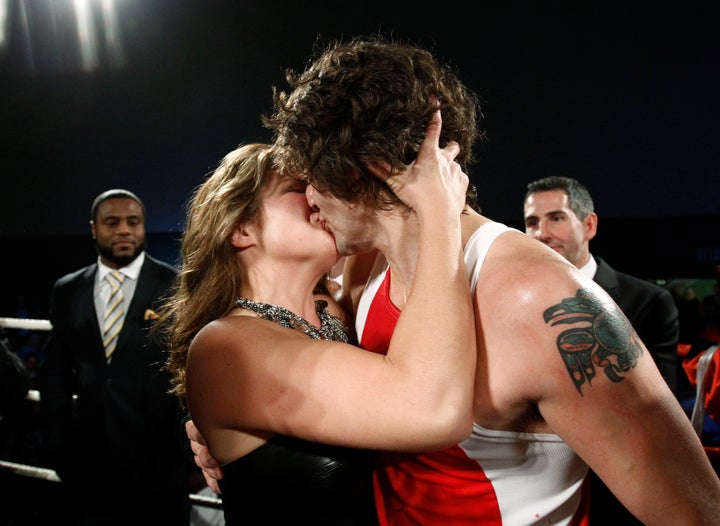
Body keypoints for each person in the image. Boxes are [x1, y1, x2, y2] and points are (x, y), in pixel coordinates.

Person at [187, 35, 720, 525]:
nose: (312, 201)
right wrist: (253, 450)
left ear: (356, 172)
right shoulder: (362, 271)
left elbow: (694, 510)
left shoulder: (536, 296)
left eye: (311, 179)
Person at [160, 117, 476, 526]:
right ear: (240, 228)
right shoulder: (225, 345)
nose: (317, 195)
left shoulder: (338, 310)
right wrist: (439, 212)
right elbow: (435, 412)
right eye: (296, 189)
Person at [522, 175, 682, 524]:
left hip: (618, 496)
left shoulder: (648, 302)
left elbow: (657, 409)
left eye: (556, 218)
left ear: (589, 225)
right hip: (531, 490)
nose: (541, 233)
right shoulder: (509, 304)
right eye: (532, 222)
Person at [37, 189, 193, 526]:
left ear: (142, 226)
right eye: (112, 222)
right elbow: (55, 371)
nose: (124, 230)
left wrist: (187, 457)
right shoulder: (68, 288)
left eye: (132, 222)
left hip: (159, 464)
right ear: (95, 229)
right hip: (89, 461)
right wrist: (58, 440)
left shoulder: (176, 286)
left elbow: (190, 372)